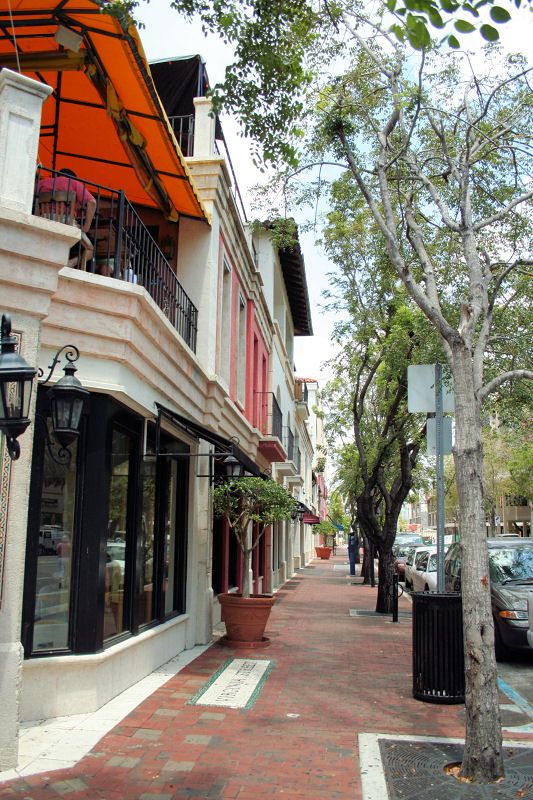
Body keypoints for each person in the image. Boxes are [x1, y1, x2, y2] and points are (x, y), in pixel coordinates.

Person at [37, 168, 96, 266]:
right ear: (73, 178)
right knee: (90, 250)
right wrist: (86, 227)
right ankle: (69, 263)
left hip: (44, 220)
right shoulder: (74, 183)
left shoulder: (43, 182)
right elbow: (92, 202)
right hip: (66, 223)